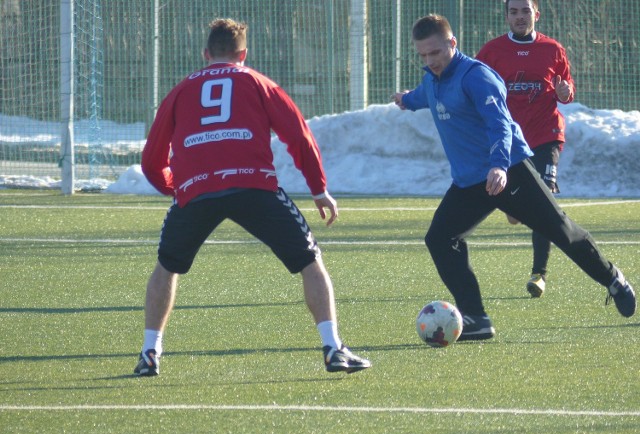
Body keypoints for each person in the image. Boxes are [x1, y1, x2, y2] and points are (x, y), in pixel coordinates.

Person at [134, 18, 371, 376]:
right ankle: (332, 347)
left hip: (197, 188)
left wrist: (177, 186)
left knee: (167, 267)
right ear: (243, 54)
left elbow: (152, 157)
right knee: (310, 261)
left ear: (205, 54)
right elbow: (299, 136)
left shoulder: (180, 90)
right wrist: (318, 188)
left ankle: (150, 353)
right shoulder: (258, 82)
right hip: (254, 186)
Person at [391, 14, 636, 340]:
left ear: (452, 43)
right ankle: (476, 318)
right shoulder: (432, 81)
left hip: (510, 171)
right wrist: (406, 100)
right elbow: (425, 96)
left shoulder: (476, 77)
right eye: (423, 55)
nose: (430, 60)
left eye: (435, 52)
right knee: (439, 238)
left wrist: (499, 165)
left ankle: (614, 280)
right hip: (469, 182)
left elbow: (500, 124)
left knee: (561, 231)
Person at [476, 0, 575, 298]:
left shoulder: (553, 49)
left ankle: (538, 274)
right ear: (506, 16)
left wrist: (565, 92)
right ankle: (517, 208)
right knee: (518, 211)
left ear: (536, 14)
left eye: (526, 11)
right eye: (514, 12)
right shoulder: (491, 51)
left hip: (547, 134)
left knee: (544, 202)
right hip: (509, 142)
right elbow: (474, 83)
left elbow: (567, 87)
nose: (520, 17)